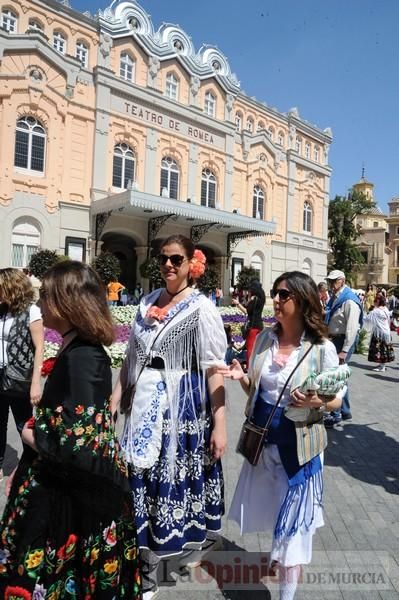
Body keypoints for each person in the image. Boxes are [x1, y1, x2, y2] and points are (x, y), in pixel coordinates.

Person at [0, 262, 141, 598]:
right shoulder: (74, 346)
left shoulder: (84, 357)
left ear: (65, 303)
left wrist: (31, 436)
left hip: (77, 502)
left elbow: (83, 442)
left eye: (44, 296)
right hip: (64, 484)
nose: (40, 304)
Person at [112, 234, 227, 600]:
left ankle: (155, 564)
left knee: (167, 480)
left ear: (191, 263)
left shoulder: (201, 308)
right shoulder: (146, 302)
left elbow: (213, 368)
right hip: (143, 404)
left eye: (176, 259)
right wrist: (115, 398)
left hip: (182, 408)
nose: (168, 266)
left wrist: (220, 424)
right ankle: (141, 556)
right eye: (163, 259)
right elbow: (132, 357)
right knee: (137, 480)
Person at [217, 271, 342, 600]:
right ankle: (279, 551)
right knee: (276, 514)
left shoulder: (321, 349)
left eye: (283, 295)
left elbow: (337, 399)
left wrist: (317, 400)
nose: (275, 299)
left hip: (299, 451)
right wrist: (240, 376)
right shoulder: (264, 341)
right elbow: (256, 391)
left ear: (301, 301)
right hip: (263, 445)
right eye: (275, 293)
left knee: (294, 535)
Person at [0, 268, 44, 481]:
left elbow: (40, 348)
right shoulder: (1, 309)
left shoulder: (31, 311)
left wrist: (36, 383)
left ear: (11, 287)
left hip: (19, 378)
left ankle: (35, 464)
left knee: (24, 424)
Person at [324, 270, 363, 427]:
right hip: (335, 340)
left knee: (337, 378)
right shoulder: (337, 297)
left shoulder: (349, 300)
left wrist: (345, 350)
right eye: (330, 281)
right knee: (340, 376)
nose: (331, 284)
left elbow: (352, 328)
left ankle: (337, 414)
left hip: (342, 341)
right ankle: (344, 410)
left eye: (334, 281)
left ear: (342, 280)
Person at [232, 280, 265, 363]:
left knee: (250, 347)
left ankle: (249, 367)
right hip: (259, 325)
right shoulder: (261, 299)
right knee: (256, 347)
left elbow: (247, 311)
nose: (248, 291)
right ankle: (254, 364)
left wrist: (237, 304)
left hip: (252, 326)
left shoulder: (254, 299)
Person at [364, 295, 395, 371]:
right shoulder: (385, 309)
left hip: (379, 332)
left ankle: (382, 367)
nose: (374, 302)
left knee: (380, 349)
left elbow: (367, 319)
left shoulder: (376, 311)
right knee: (384, 348)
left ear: (378, 301)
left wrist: (361, 315)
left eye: (375, 300)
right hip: (386, 331)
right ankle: (382, 364)